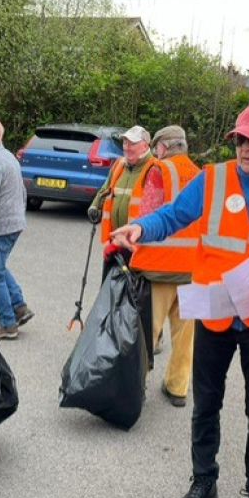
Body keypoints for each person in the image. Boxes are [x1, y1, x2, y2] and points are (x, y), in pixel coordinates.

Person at [112, 104, 249, 498]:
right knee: (205, 404)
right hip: (216, 310)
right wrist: (141, 227)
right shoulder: (213, 179)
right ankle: (203, 481)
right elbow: (172, 216)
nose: (244, 148)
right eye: (239, 139)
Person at [128, 125, 200, 407]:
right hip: (193, 270)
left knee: (148, 332)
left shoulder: (159, 170)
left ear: (164, 147)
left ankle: (136, 385)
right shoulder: (201, 175)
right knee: (185, 336)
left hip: (159, 268)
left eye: (157, 147)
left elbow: (148, 215)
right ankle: (178, 388)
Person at [88, 125, 160, 365]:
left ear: (145, 145)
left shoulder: (153, 169)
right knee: (109, 290)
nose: (127, 147)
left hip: (138, 247)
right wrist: (95, 205)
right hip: (114, 243)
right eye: (125, 143)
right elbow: (106, 189)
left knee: (136, 298)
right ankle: (109, 334)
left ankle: (141, 344)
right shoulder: (119, 165)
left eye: (132, 143)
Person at [0, 117, 35, 340]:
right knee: (0, 267)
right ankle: (19, 306)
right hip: (14, 223)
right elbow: (22, 193)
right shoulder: (9, 157)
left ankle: (6, 323)